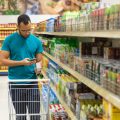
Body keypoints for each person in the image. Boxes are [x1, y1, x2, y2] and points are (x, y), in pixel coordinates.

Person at [0, 14, 43, 120]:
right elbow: (2, 61)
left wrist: (38, 68)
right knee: (20, 116)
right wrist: (21, 62)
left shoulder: (36, 41)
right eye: (24, 30)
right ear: (17, 27)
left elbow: (39, 59)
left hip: (32, 83)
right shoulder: (9, 40)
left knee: (35, 116)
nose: (27, 33)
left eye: (29, 29)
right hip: (16, 84)